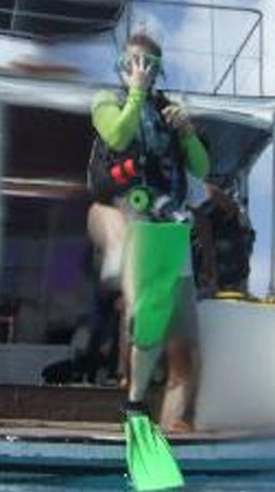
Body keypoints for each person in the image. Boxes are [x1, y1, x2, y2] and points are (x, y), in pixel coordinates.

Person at [87, 30, 209, 432]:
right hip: (131, 218)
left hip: (171, 225)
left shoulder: (169, 112)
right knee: (145, 316)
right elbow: (118, 135)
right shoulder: (107, 101)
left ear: (159, 71)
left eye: (148, 65)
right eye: (132, 63)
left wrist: (187, 131)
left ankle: (174, 422)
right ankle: (134, 402)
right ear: (122, 68)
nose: (140, 71)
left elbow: (202, 169)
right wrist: (136, 94)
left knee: (184, 337)